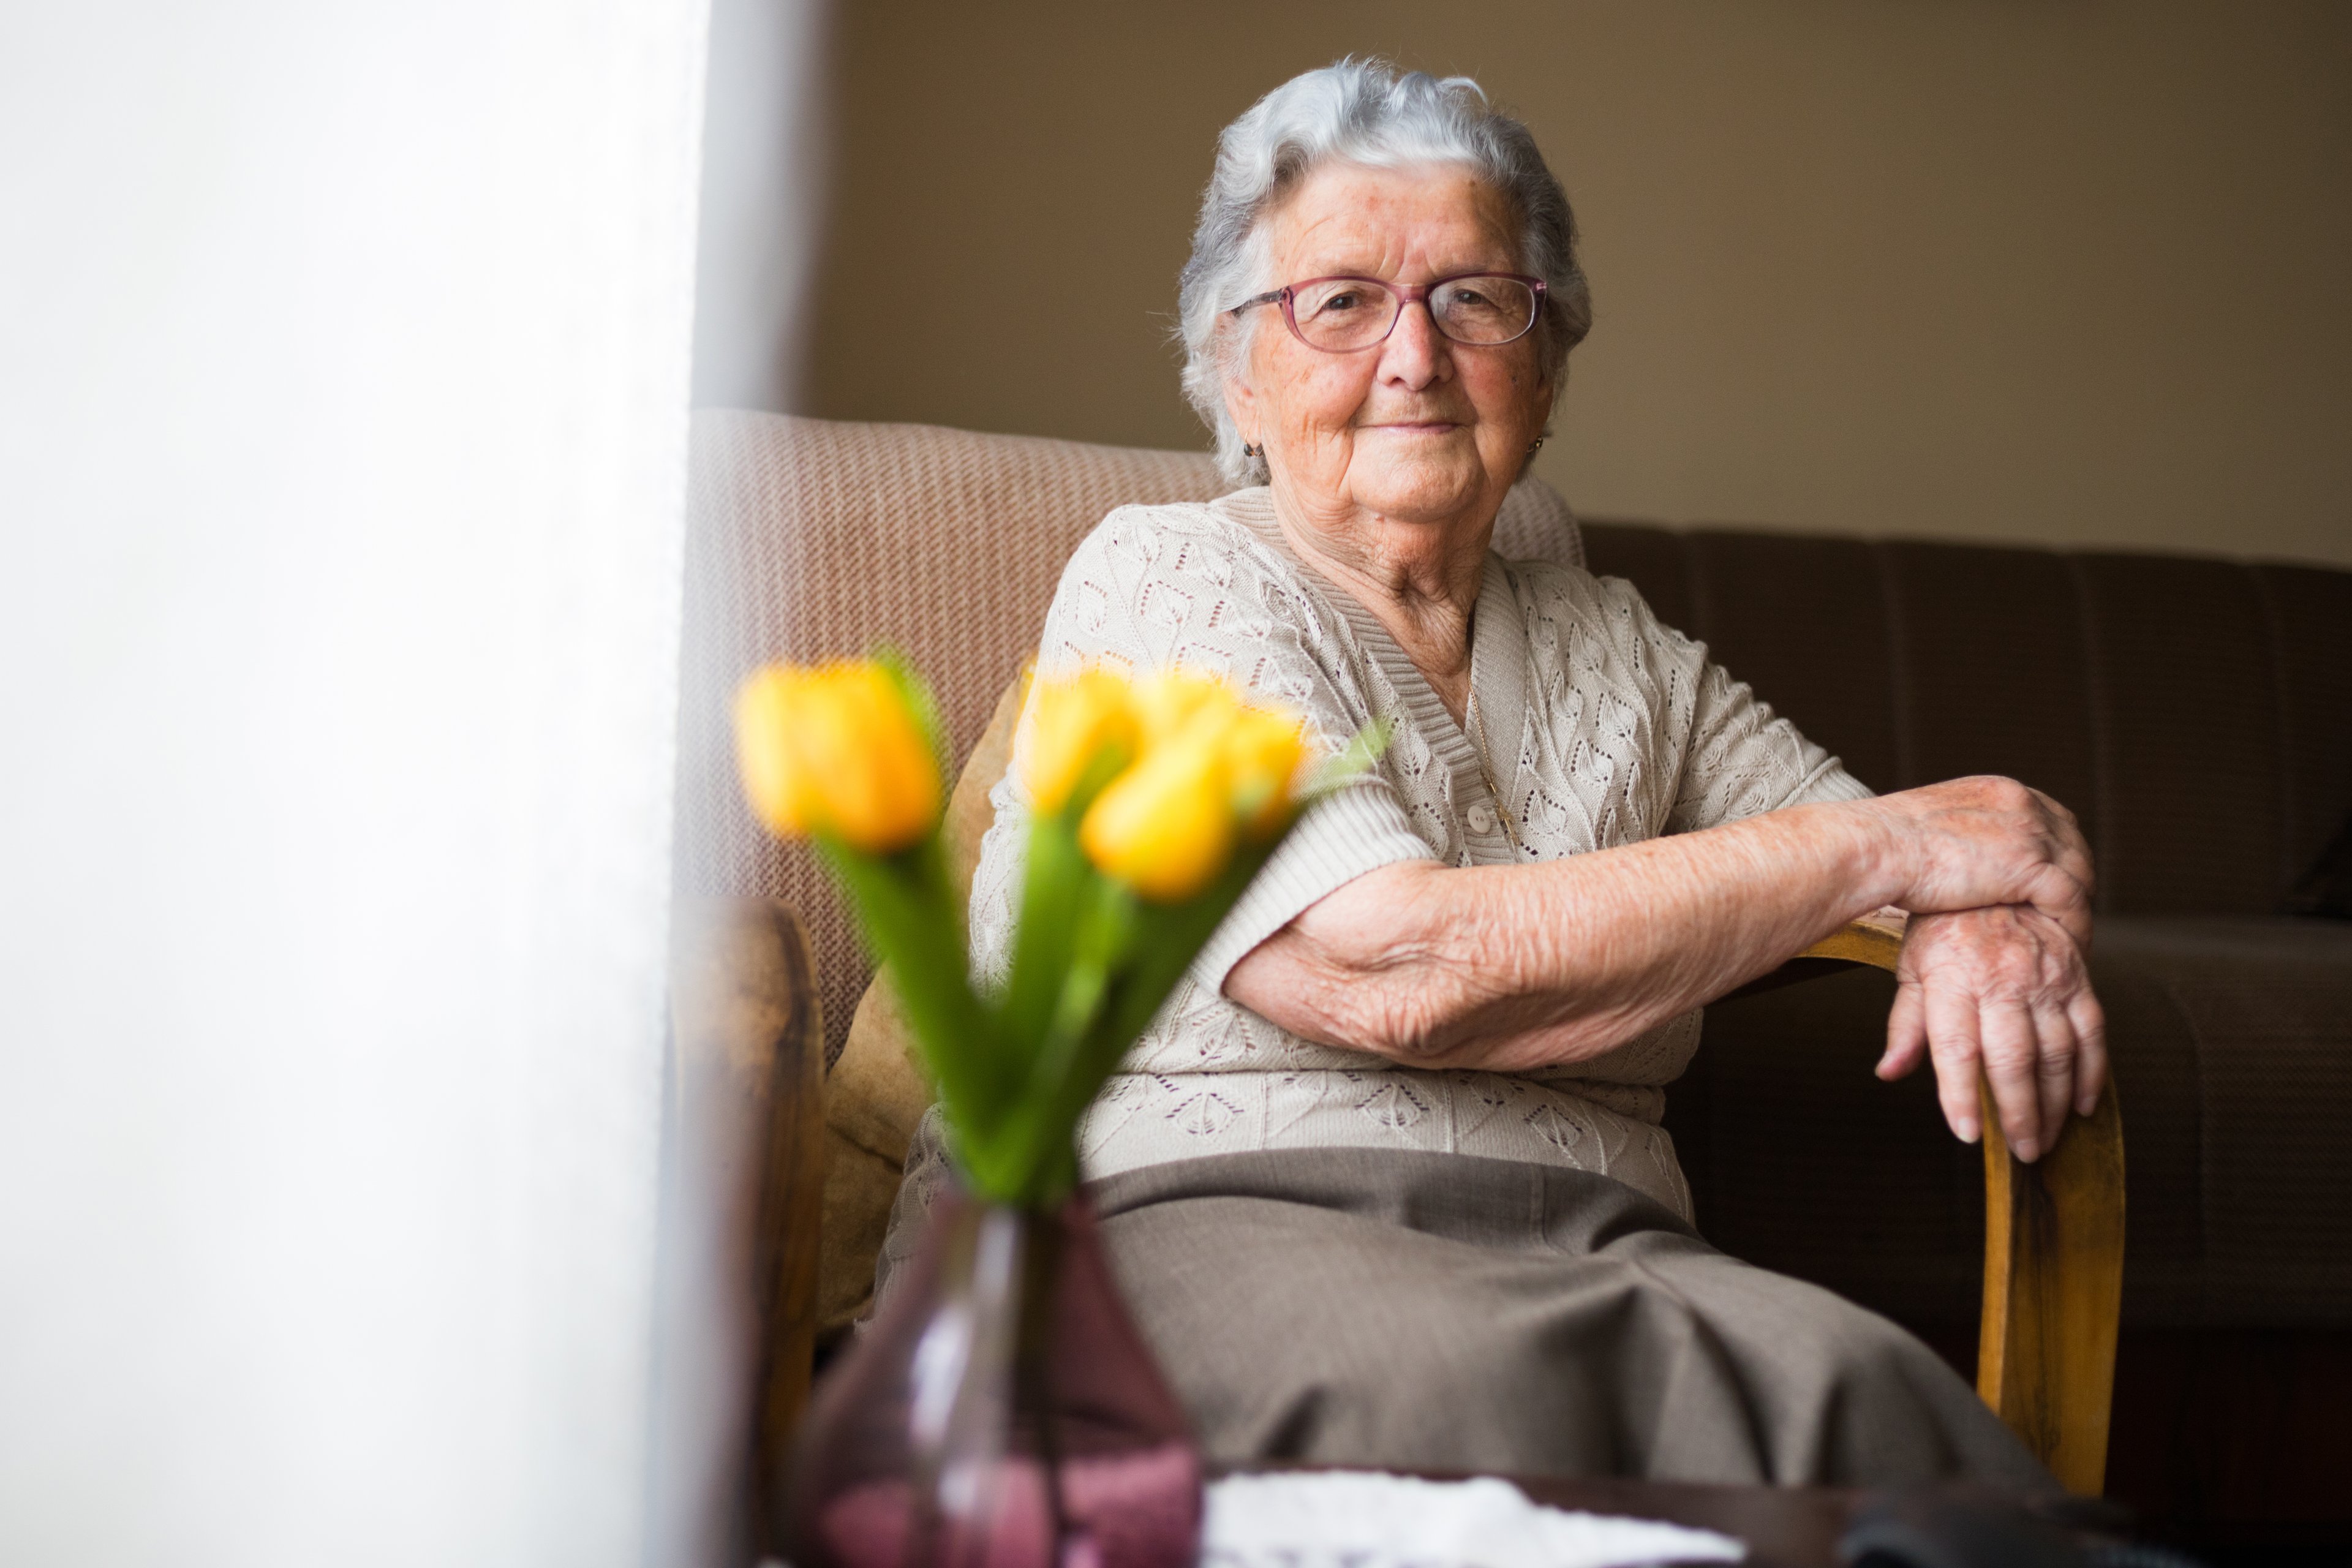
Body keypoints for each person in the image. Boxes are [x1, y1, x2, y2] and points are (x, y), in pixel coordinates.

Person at [879, 58, 2104, 1489]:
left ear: (1549, 361)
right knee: (1460, 1396)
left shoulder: (1619, 642)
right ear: (1237, 370)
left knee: (1872, 1394)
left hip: (1600, 1247)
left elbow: (1930, 862)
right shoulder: (1169, 578)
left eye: (1474, 298)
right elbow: (1386, 965)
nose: (1414, 356)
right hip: (1181, 1221)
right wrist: (1921, 848)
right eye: (1340, 301)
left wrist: (1995, 911)